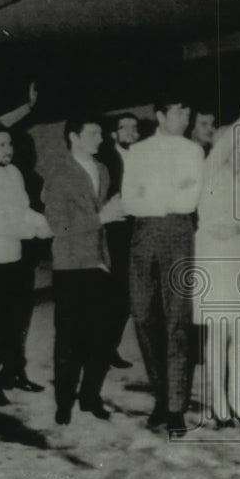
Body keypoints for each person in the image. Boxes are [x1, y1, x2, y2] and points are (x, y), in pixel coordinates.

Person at [122, 91, 205, 437]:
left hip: (178, 233)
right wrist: (168, 194)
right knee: (144, 316)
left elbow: (190, 197)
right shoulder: (138, 152)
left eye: (187, 114)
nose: (185, 120)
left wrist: (155, 195)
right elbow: (130, 200)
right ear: (160, 115)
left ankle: (174, 408)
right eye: (179, 113)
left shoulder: (193, 150)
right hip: (144, 235)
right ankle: (161, 393)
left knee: (177, 321)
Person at [194, 87, 240, 426]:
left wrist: (237, 226)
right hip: (214, 261)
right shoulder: (210, 172)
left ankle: (237, 400)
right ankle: (217, 402)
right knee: (218, 334)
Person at [43, 117, 125, 425]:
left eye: (101, 133)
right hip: (70, 265)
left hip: (99, 263)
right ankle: (64, 402)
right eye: (93, 133)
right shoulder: (58, 173)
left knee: (101, 336)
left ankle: (90, 396)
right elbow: (58, 224)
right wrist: (102, 217)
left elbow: (102, 217)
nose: (100, 139)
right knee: (69, 339)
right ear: (74, 137)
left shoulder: (102, 169)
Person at [0, 124, 52, 406]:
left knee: (16, 320)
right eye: (1, 145)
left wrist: (44, 223)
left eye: (10, 144)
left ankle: (14, 373)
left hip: (14, 256)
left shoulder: (14, 173)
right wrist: (36, 232)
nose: (9, 150)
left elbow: (23, 209)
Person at [100, 112, 140, 369]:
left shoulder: (144, 156)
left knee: (129, 295)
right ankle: (103, 348)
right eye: (126, 129)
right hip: (115, 232)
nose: (132, 133)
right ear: (114, 134)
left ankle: (109, 346)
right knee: (115, 295)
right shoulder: (105, 160)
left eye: (135, 128)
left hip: (139, 229)